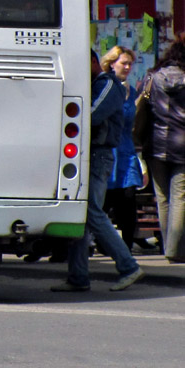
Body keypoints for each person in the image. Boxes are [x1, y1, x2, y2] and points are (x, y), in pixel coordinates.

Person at [52, 51, 144, 291]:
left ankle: (129, 266)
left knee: (92, 212)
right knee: (82, 216)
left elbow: (91, 115)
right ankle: (78, 277)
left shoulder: (107, 84)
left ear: (94, 63)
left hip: (98, 155)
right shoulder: (96, 83)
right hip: (90, 155)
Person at [139, 35, 185, 262]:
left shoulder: (151, 78)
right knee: (180, 197)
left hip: (155, 144)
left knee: (163, 198)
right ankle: (175, 251)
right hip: (182, 145)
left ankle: (168, 247)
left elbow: (143, 105)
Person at [100, 46, 147, 253]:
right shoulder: (104, 86)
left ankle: (126, 250)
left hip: (126, 153)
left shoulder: (132, 91)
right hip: (108, 150)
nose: (127, 67)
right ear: (112, 63)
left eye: (130, 63)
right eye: (123, 63)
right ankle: (101, 245)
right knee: (105, 203)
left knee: (128, 201)